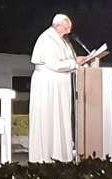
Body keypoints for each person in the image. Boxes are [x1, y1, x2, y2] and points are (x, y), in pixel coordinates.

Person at [28, 14, 84, 163]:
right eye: (66, 28)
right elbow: (53, 64)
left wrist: (78, 62)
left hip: (59, 85)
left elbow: (66, 61)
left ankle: (60, 153)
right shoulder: (47, 39)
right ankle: (44, 155)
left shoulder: (62, 40)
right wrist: (74, 62)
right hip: (48, 84)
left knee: (60, 118)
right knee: (48, 118)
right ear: (57, 25)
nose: (68, 31)